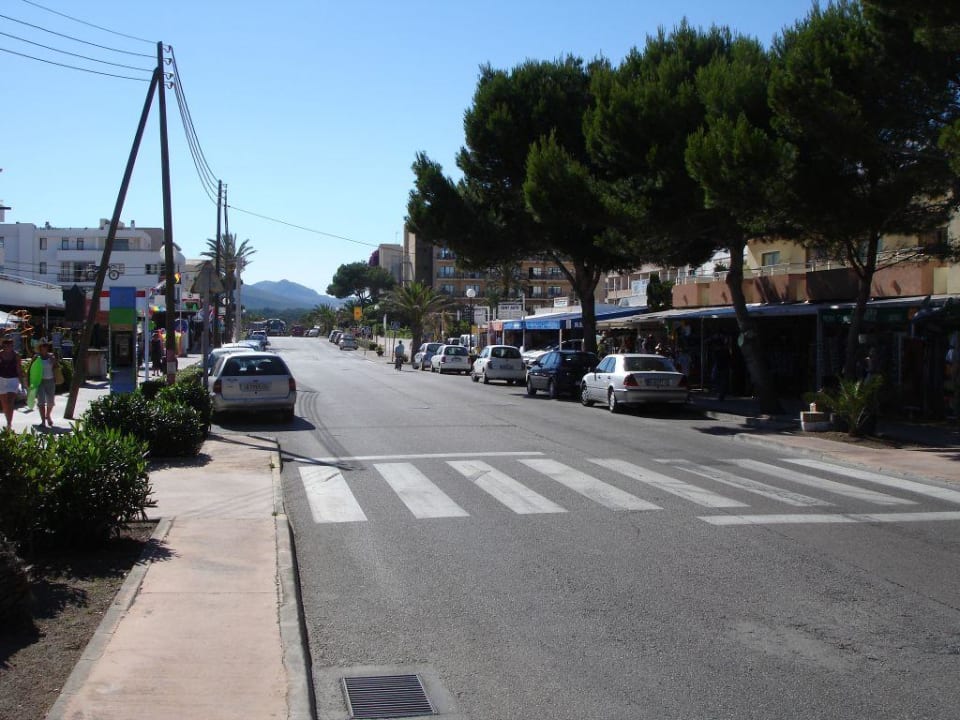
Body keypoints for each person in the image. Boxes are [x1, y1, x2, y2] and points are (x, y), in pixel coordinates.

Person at [0, 335, 26, 431]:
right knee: (4, 403)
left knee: (10, 401)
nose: (8, 346)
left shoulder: (16, 355)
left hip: (13, 380)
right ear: (3, 345)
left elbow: (19, 369)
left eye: (10, 344)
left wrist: (22, 384)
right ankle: (8, 420)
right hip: (1, 380)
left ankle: (9, 423)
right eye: (6, 344)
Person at [32, 342, 59, 428]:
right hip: (40, 381)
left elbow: (56, 367)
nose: (44, 348)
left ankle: (48, 415)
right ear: (40, 348)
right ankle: (43, 421)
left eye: (46, 346)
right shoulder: (36, 357)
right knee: (41, 402)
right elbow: (31, 369)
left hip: (50, 380)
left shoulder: (51, 356)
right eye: (43, 346)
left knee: (50, 402)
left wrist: (54, 360)